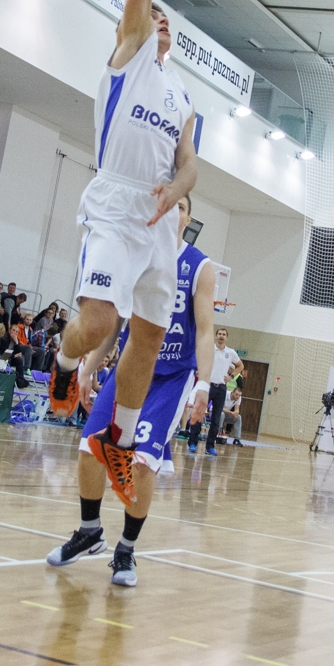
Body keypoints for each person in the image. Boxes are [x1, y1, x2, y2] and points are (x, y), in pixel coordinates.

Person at [46, 0, 199, 511]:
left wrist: (179, 187)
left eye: (168, 20)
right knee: (101, 322)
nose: (158, 21)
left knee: (153, 332)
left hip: (158, 213)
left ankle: (122, 436)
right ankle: (61, 357)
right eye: (153, 14)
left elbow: (191, 160)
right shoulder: (128, 55)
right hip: (114, 200)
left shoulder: (183, 98)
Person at [49, 194, 215, 587]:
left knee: (140, 462)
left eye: (182, 208)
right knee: (89, 447)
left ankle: (126, 550)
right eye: (169, 205)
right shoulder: (139, 253)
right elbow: (116, 320)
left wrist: (204, 385)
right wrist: (89, 369)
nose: (173, 212)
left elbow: (205, 331)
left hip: (171, 379)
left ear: (187, 218)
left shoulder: (199, 266)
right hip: (128, 370)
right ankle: (89, 531)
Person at [186, 328, 239, 455]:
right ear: (216, 336)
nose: (221, 336)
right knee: (199, 413)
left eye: (224, 334)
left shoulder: (231, 352)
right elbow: (198, 358)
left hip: (221, 388)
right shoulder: (209, 349)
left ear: (227, 337)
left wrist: (231, 377)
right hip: (207, 386)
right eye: (219, 334)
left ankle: (210, 446)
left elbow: (240, 366)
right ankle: (193, 442)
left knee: (216, 419)